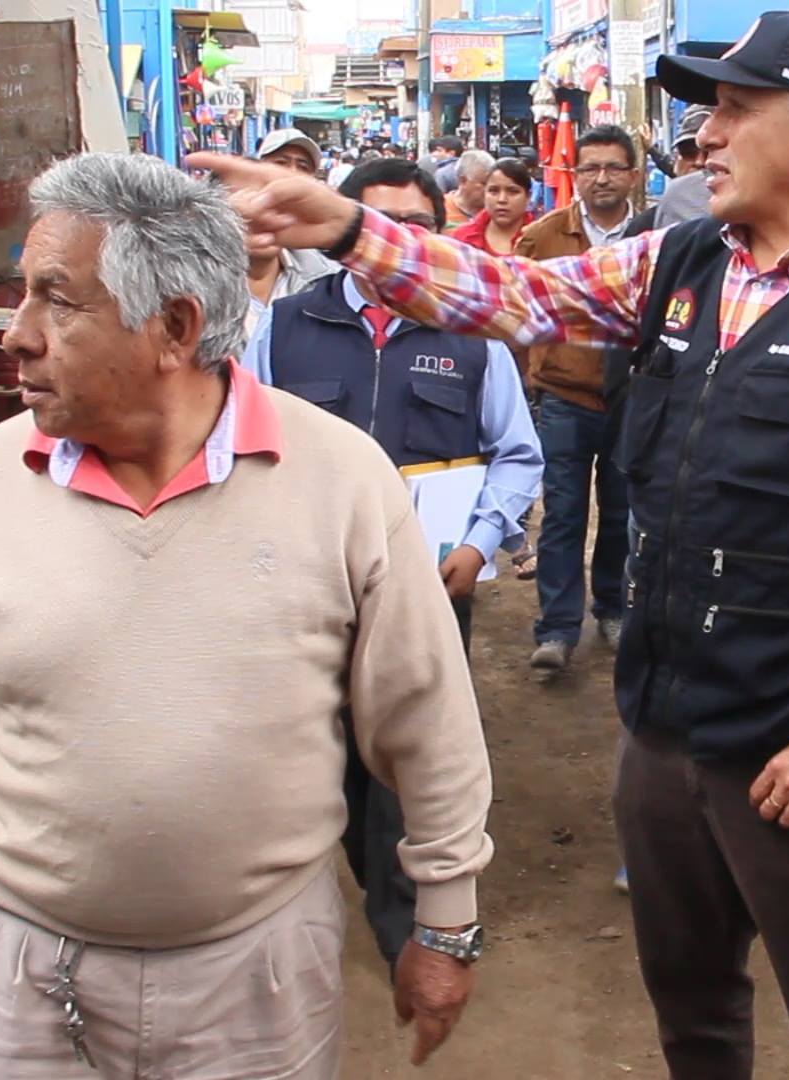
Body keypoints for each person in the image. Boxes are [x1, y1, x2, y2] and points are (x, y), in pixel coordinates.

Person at [195, 11, 789, 1076]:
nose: (704, 133)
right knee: (692, 1011)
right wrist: (349, 230)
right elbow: (520, 295)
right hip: (663, 732)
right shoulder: (686, 259)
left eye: (735, 109)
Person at [0, 152, 492, 1080]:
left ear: (174, 327)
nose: (16, 335)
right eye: (22, 296)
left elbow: (429, 723)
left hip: (260, 975)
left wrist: (446, 922)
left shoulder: (340, 479)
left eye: (57, 300)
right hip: (27, 976)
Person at [252, 157, 539, 976]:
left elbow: (518, 453)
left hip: (432, 583)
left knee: (415, 747)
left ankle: (408, 919)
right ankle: (360, 871)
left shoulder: (472, 332)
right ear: (342, 232)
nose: (395, 241)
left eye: (415, 226)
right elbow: (247, 439)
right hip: (314, 582)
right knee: (329, 742)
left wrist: (480, 542)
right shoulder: (287, 325)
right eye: (376, 222)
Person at [515, 124, 639, 673]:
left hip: (631, 400)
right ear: (574, 175)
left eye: (613, 167)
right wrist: (528, 378)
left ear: (633, 175)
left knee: (621, 513)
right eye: (589, 168)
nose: (601, 178)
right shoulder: (542, 239)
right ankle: (558, 629)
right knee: (562, 514)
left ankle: (612, 608)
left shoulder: (658, 237)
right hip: (563, 397)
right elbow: (514, 311)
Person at [242, 129, 338, 316]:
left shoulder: (325, 273)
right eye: (281, 163)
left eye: (302, 167)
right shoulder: (205, 266)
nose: (291, 173)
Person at [451, 157, 536, 255]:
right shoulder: (462, 240)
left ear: (528, 197)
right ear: (484, 194)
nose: (502, 199)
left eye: (512, 191)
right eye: (494, 191)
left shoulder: (542, 240)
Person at [654, 107, 714, 228]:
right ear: (677, 157)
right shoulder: (643, 225)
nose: (699, 162)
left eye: (710, 151)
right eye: (688, 152)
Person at [446, 149, 495, 232]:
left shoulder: (498, 211)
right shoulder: (439, 208)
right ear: (463, 181)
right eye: (484, 183)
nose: (490, 189)